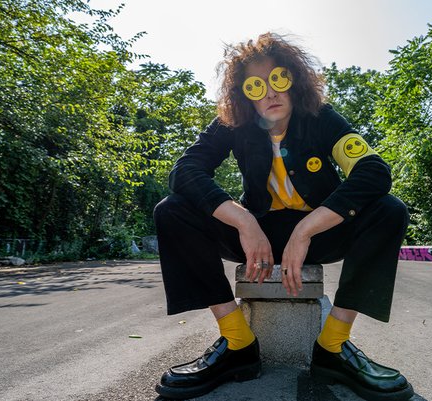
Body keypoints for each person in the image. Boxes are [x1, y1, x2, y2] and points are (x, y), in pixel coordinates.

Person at [153, 32, 413, 401]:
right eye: (256, 86)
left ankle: (334, 347)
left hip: (320, 233)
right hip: (256, 235)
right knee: (172, 210)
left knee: (389, 209)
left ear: (295, 80)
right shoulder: (233, 125)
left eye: (279, 79)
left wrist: (306, 229)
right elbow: (185, 171)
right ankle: (237, 342)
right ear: (245, 95)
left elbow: (372, 171)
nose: (270, 93)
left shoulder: (322, 119)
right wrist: (244, 221)